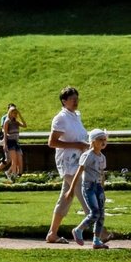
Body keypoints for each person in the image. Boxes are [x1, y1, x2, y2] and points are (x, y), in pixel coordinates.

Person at [45, 86, 89, 244]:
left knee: (66, 198)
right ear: (64, 101)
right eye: (72, 99)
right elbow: (52, 142)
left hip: (77, 161)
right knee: (85, 194)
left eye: (77, 98)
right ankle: (101, 231)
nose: (76, 101)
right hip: (67, 162)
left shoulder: (76, 116)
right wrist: (77, 144)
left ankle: (52, 233)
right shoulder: (60, 118)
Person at [72, 129, 109, 248]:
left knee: (101, 215)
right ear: (93, 142)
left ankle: (96, 240)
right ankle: (78, 230)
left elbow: (102, 174)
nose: (103, 142)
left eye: (104, 140)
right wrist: (71, 188)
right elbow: (79, 172)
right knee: (95, 213)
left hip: (98, 187)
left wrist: (102, 189)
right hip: (89, 187)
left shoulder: (102, 157)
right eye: (100, 140)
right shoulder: (88, 155)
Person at [0, 103, 27, 180]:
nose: (15, 114)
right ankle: (13, 177)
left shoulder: (16, 121)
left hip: (16, 142)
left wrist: (20, 114)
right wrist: (5, 144)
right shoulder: (7, 121)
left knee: (20, 158)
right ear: (10, 112)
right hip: (10, 142)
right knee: (13, 160)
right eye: (14, 112)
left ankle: (18, 174)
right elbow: (5, 133)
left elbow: (25, 125)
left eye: (16, 112)